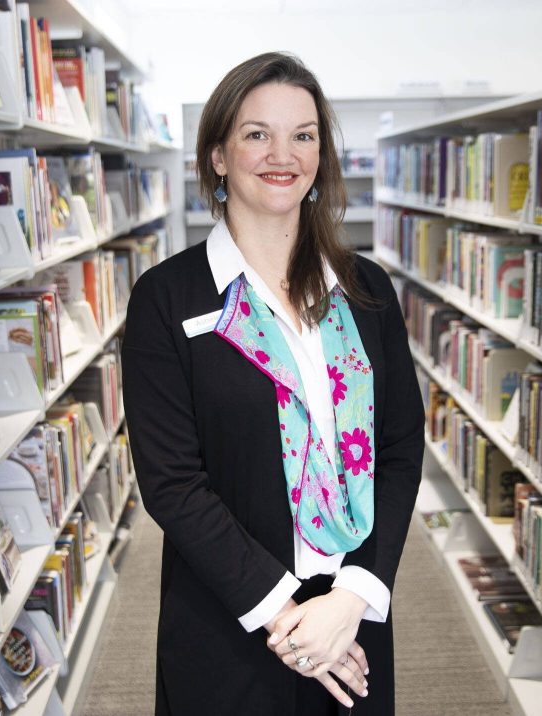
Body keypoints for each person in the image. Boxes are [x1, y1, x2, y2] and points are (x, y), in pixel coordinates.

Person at [122, 51, 424, 715]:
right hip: (233, 620)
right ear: (219, 156)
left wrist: (353, 595)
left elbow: (398, 449)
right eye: (257, 133)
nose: (282, 154)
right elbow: (172, 484)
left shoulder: (365, 288)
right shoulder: (167, 298)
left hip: (352, 615)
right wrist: (286, 619)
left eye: (303, 135)